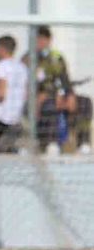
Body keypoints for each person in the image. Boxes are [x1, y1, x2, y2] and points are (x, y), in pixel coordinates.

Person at [30, 26, 92, 155]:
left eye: (44, 39)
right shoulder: (29, 59)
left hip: (59, 96)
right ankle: (51, 143)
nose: (41, 43)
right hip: (41, 98)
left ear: (49, 40)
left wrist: (69, 95)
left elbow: (64, 79)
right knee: (50, 104)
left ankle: (83, 143)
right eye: (38, 39)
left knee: (85, 102)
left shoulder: (57, 58)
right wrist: (51, 95)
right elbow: (32, 85)